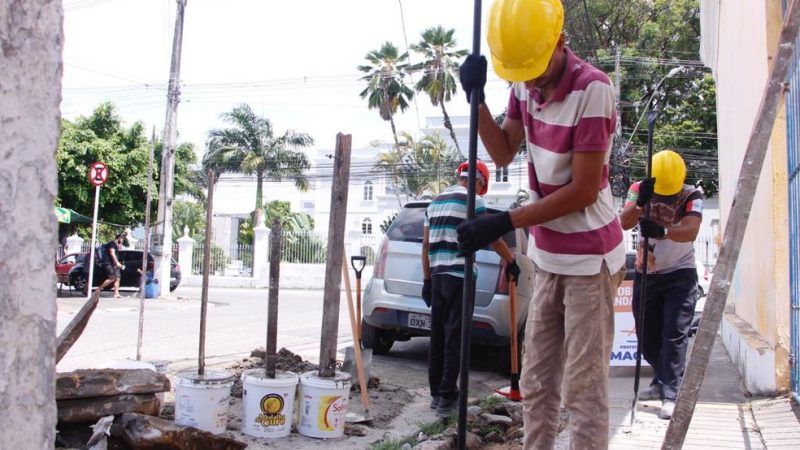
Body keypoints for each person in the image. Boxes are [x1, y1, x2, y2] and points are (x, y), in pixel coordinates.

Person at [457, 0, 626, 447]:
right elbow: (502, 151)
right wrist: (477, 100)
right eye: (522, 74)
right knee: (536, 384)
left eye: (535, 70)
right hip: (548, 257)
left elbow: (583, 190)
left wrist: (505, 221)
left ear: (560, 42)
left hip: (590, 260)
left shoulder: (593, 89)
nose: (531, 83)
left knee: (583, 391)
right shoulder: (524, 83)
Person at [421, 160, 520, 417]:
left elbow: (425, 246)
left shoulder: (433, 203)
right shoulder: (473, 201)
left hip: (437, 276)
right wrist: (511, 261)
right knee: (455, 336)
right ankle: (447, 398)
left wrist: (427, 281)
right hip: (459, 277)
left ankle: (436, 394)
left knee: (438, 336)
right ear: (479, 182)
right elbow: (492, 236)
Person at [619, 149, 703, 420]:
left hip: (680, 274)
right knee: (647, 335)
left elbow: (691, 230)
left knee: (674, 333)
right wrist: (640, 204)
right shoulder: (638, 189)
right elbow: (624, 223)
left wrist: (663, 231)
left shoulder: (692, 195)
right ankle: (660, 380)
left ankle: (671, 393)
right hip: (646, 274)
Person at [96, 232, 125, 297]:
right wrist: (117, 262)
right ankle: (98, 289)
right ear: (119, 238)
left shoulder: (116, 245)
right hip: (109, 263)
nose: (122, 241)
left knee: (118, 278)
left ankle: (116, 294)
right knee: (112, 278)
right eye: (122, 239)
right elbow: (112, 253)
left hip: (114, 264)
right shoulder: (112, 244)